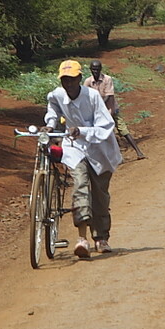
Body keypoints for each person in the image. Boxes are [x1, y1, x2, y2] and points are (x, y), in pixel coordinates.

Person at [43, 60, 122, 258]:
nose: (68, 84)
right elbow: (53, 110)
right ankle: (82, 238)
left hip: (100, 149)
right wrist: (51, 125)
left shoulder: (92, 96)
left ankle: (101, 237)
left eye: (71, 79)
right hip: (75, 147)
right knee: (80, 186)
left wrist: (82, 130)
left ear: (79, 78)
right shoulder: (57, 95)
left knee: (100, 196)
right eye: (64, 80)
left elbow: (105, 126)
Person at [84, 59, 146, 160]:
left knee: (123, 130)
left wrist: (102, 108)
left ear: (101, 69)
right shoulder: (88, 82)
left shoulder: (107, 79)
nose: (95, 71)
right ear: (90, 69)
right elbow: (85, 96)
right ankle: (117, 157)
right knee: (109, 134)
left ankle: (138, 152)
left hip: (111, 109)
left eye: (97, 69)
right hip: (98, 113)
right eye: (93, 69)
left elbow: (109, 96)